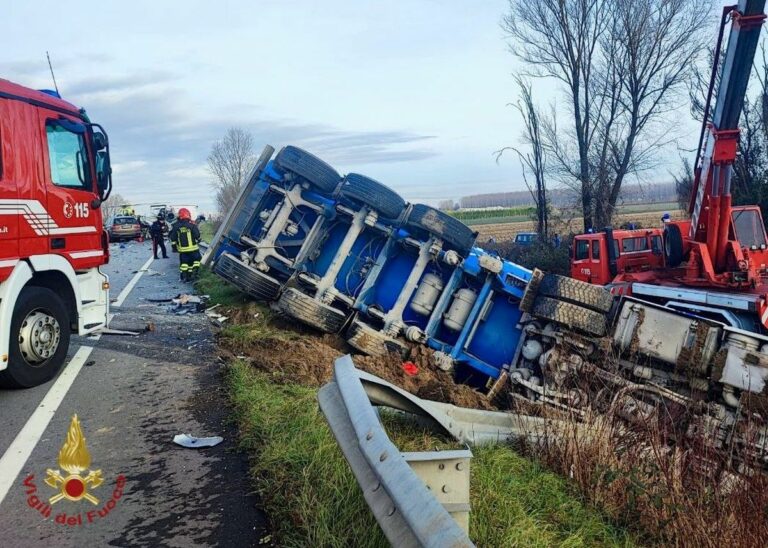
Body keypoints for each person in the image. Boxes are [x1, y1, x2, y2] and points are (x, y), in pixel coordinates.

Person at [169, 208, 201, 282]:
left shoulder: (175, 226)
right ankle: (194, 273)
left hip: (183, 251)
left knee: (184, 263)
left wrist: (174, 248)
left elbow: (173, 238)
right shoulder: (192, 225)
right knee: (196, 260)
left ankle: (184, 276)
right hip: (193, 249)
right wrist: (198, 239)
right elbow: (197, 235)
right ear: (188, 215)